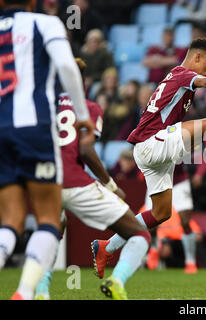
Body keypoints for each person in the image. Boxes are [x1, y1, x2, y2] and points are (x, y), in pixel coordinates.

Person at [91, 38, 206, 279]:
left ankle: (108, 246)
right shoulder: (182, 73)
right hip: (152, 144)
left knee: (161, 213)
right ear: (197, 57)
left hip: (149, 151)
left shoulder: (175, 79)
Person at [0, 0, 95, 300]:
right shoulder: (45, 23)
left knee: (10, 219)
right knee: (48, 217)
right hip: (36, 129)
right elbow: (67, 65)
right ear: (33, 2)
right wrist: (82, 116)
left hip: (1, 131)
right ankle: (26, 292)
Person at [34, 58, 150, 301]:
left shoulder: (40, 105)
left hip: (44, 182)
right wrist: (110, 184)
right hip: (75, 183)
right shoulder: (88, 108)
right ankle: (116, 281)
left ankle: (41, 291)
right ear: (82, 81)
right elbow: (86, 152)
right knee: (140, 234)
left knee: (51, 231)